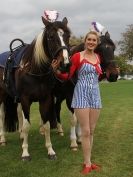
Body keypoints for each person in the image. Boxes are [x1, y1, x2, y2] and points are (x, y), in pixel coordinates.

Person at [52, 30, 102, 175]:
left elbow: (97, 77)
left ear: (96, 42)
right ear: (85, 41)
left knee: (91, 131)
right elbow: (68, 76)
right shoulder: (77, 56)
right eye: (89, 39)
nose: (91, 42)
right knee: (85, 131)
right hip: (81, 95)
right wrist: (56, 72)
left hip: (95, 95)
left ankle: (90, 162)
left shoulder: (98, 57)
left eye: (94, 40)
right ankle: (86, 163)